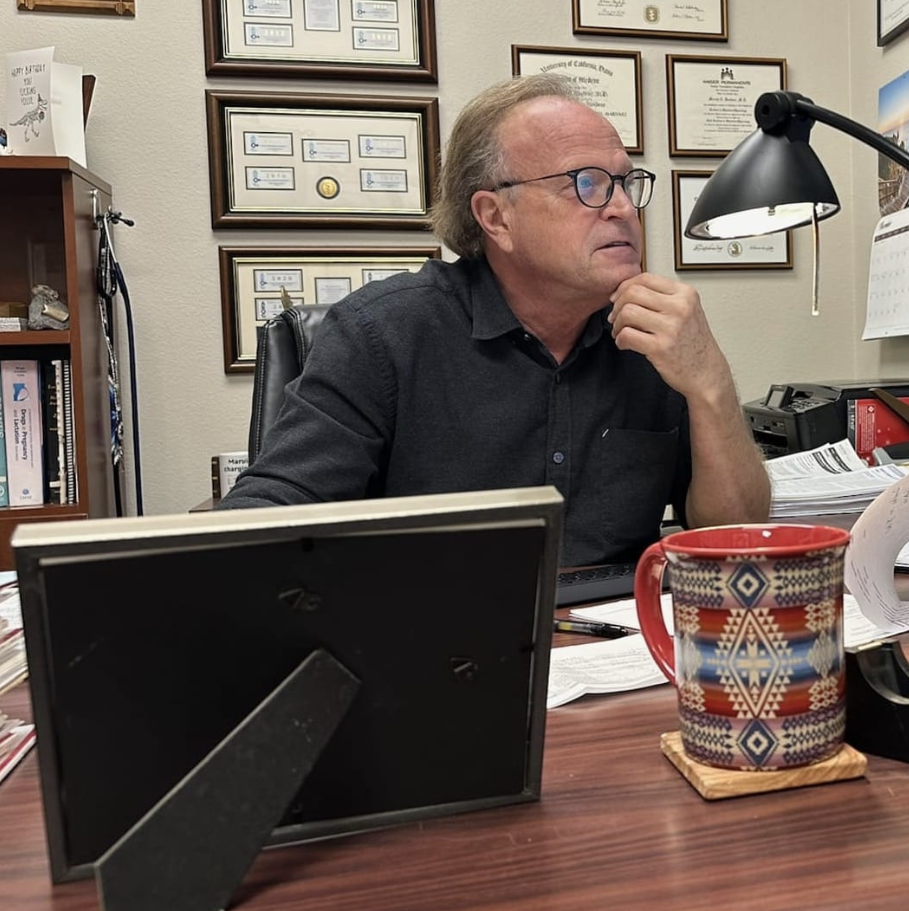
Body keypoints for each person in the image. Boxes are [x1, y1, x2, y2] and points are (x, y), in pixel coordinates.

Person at [220, 76, 771, 567]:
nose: (623, 208)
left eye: (625, 183)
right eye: (586, 183)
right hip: (442, 651)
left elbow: (737, 542)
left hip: (623, 653)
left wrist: (710, 385)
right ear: (495, 216)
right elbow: (263, 522)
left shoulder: (655, 336)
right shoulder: (381, 335)